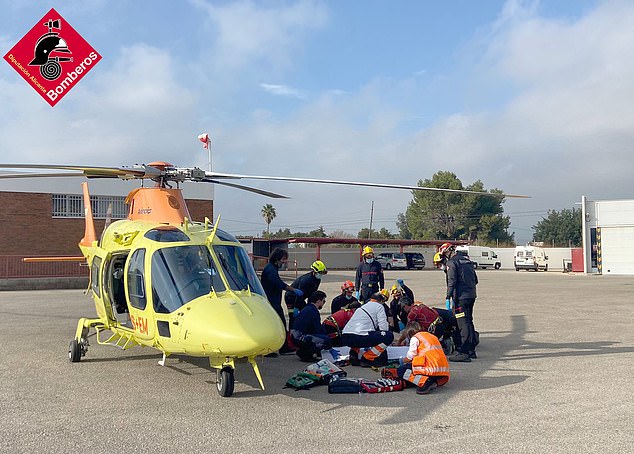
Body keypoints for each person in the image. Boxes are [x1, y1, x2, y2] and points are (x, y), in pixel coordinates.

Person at [260, 248, 303, 354]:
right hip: (271, 302)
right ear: (277, 258)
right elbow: (279, 283)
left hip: (273, 301)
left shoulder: (272, 268)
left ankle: (274, 349)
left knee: (275, 325)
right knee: (280, 324)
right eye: (283, 259)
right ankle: (282, 348)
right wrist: (293, 289)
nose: (284, 262)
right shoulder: (270, 270)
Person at [340, 291, 394, 367]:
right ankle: (367, 357)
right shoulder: (379, 306)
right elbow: (383, 327)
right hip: (359, 337)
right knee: (388, 336)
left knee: (359, 334)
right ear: (381, 301)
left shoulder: (361, 308)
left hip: (345, 337)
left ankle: (354, 355)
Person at [445, 243, 479, 362]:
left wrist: (448, 296)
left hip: (460, 298)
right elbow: (476, 280)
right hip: (471, 296)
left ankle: (463, 352)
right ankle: (471, 350)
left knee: (462, 323)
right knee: (469, 321)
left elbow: (452, 281)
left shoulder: (451, 263)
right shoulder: (467, 260)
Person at [396, 322, 450, 395]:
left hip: (429, 369)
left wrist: (401, 360)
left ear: (410, 333)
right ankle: (432, 381)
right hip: (441, 371)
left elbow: (410, 356)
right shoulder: (431, 336)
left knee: (401, 370)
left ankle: (424, 381)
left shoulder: (415, 338)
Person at [284, 260, 327, 329]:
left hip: (300, 298)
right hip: (291, 297)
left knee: (307, 313)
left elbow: (312, 294)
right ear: (314, 271)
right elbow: (299, 295)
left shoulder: (317, 280)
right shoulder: (306, 280)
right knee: (292, 317)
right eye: (320, 273)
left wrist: (312, 305)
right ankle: (291, 334)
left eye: (322, 273)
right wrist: (296, 307)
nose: (321, 274)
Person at [290, 290, 331, 361]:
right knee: (326, 340)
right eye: (323, 301)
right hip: (300, 337)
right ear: (318, 301)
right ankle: (307, 353)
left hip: (295, 336)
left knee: (319, 337)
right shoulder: (313, 311)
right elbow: (317, 329)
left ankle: (306, 351)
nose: (323, 303)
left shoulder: (307, 308)